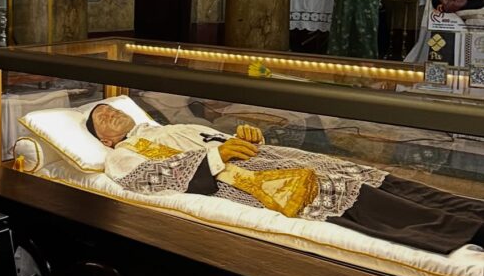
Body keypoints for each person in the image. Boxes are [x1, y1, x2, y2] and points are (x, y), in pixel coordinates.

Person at [86, 104, 484, 255]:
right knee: (340, 192)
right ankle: (466, 232)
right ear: (105, 138)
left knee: (361, 172)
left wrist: (240, 138)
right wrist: (217, 155)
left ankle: (470, 210)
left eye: (108, 108)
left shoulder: (165, 127)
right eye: (101, 118)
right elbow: (147, 179)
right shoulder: (123, 154)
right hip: (241, 180)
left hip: (263, 157)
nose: (109, 113)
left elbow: (217, 139)